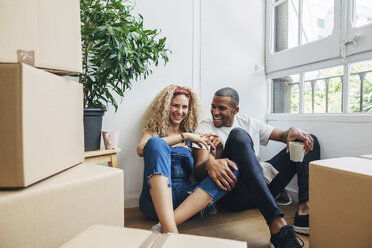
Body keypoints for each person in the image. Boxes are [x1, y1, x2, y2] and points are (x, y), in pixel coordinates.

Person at [193, 87, 320, 248]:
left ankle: (304, 212)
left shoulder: (248, 122)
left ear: (235, 110)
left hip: (262, 186)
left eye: (222, 108)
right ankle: (277, 225)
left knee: (307, 140)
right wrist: (210, 164)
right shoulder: (204, 127)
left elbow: (282, 136)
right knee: (238, 135)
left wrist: (293, 131)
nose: (215, 112)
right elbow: (198, 171)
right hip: (234, 193)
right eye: (213, 106)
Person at [137, 85, 238, 233]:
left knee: (232, 167)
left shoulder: (194, 134)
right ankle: (171, 231)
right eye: (175, 106)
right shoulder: (154, 130)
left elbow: (205, 169)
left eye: (184, 107)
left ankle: (162, 226)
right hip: (153, 202)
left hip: (185, 201)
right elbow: (141, 149)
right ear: (166, 106)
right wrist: (186, 136)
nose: (180, 111)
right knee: (155, 143)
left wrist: (218, 150)